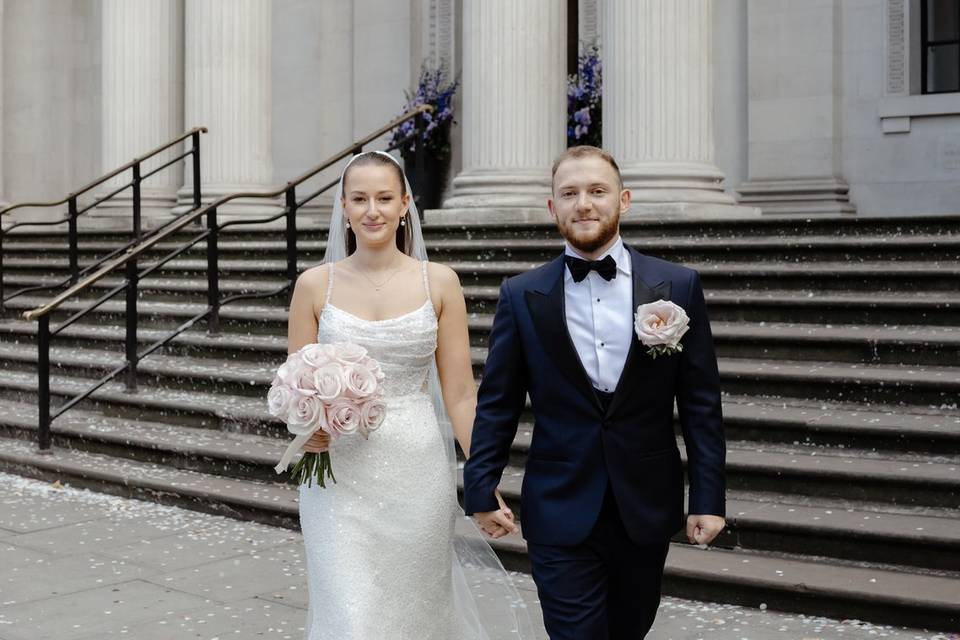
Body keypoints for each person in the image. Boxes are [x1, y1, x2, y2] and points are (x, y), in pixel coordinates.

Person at [463, 145, 727, 639]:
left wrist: (708, 497)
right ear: (552, 208)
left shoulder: (677, 286)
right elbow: (498, 401)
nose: (584, 203)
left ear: (623, 201)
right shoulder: (522, 296)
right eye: (569, 193)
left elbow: (700, 404)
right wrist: (479, 486)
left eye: (597, 191)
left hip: (644, 506)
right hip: (559, 506)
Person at [284, 151, 534, 639]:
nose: (372, 210)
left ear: (405, 204)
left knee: (415, 614)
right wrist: (306, 429)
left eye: (383, 198)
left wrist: (483, 482)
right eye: (359, 199)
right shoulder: (314, 286)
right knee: (350, 619)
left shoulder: (439, 282)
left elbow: (461, 395)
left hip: (415, 471)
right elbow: (298, 384)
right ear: (343, 206)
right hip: (337, 477)